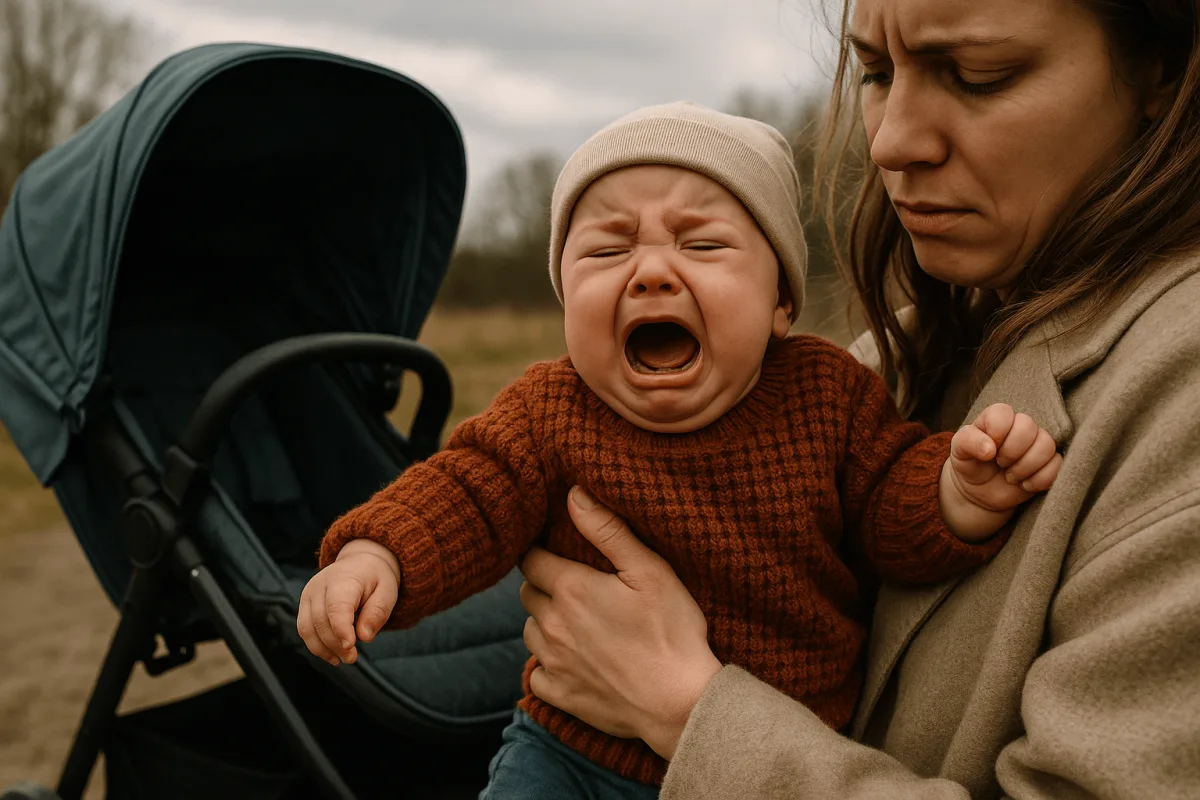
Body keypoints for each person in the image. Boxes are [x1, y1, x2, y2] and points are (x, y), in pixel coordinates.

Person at [514, 0, 1200, 798]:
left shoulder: (1175, 396)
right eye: (876, 72)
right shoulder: (884, 360)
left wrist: (682, 708)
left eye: (979, 75)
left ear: (1164, 70)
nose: (890, 140)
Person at [296, 102, 1063, 797]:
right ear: (565, 298)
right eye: (605, 252)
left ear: (780, 303)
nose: (654, 271)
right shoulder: (549, 409)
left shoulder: (828, 395)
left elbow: (890, 502)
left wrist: (958, 496)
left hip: (763, 760)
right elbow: (466, 494)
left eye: (701, 243)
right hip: (567, 754)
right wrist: (378, 557)